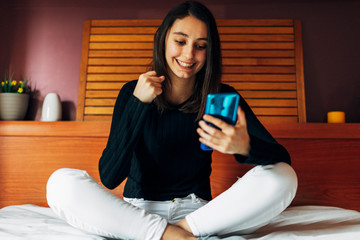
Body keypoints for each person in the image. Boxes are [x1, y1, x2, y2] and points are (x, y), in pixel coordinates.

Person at [46, 1, 298, 240]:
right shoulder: (131, 93)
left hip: (198, 215)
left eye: (201, 45)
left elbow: (281, 160)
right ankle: (167, 234)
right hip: (136, 214)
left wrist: (245, 148)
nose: (189, 54)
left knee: (285, 176)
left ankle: (174, 233)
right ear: (163, 40)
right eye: (180, 41)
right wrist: (138, 105)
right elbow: (110, 176)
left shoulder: (221, 96)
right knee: (60, 183)